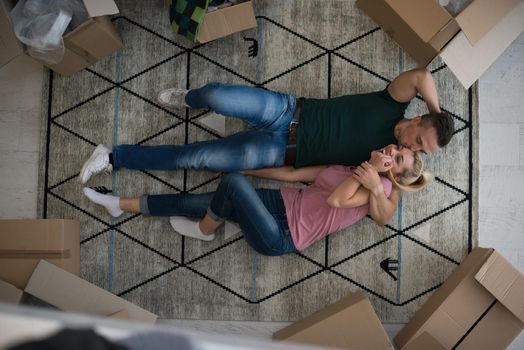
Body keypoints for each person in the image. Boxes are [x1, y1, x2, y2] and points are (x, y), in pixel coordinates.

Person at [78, 68, 453, 184]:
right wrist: (438, 113)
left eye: (422, 152)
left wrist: (264, 171)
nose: (416, 150)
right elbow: (421, 75)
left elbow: (325, 177)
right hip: (288, 112)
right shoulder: (392, 103)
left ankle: (114, 157)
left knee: (195, 158)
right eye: (421, 140)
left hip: (279, 151)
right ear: (419, 118)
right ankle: (192, 98)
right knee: (217, 95)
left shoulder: (385, 163)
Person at [83, 144, 432, 256]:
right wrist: (250, 175)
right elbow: (296, 176)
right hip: (279, 202)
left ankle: (206, 229)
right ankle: (120, 205)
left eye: (396, 159)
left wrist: (372, 171)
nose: (391, 152)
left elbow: (338, 202)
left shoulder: (380, 188)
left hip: (283, 236)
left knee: (228, 188)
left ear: (395, 175)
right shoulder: (352, 166)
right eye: (396, 149)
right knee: (201, 199)